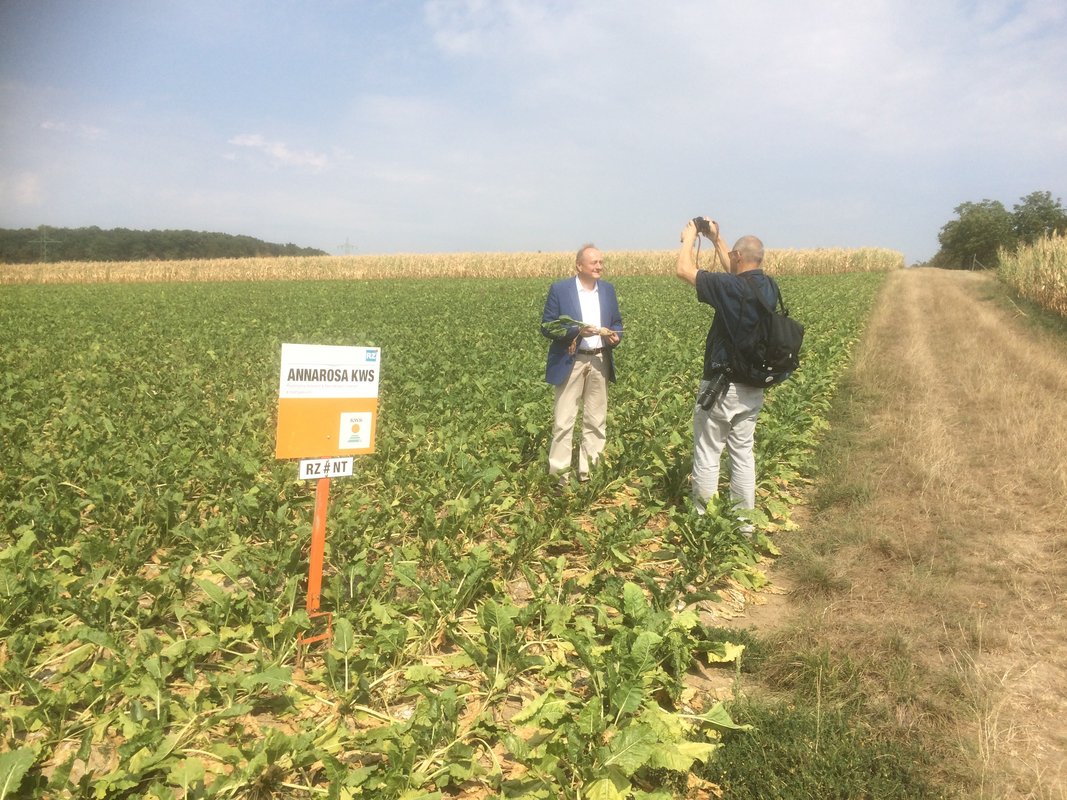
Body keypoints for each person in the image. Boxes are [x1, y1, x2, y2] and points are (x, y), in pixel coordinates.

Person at [674, 218, 779, 517]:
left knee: (708, 453)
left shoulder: (730, 286)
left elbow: (684, 269)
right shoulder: (767, 286)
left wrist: (690, 237)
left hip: (722, 386)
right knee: (743, 455)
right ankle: (743, 523)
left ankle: (705, 520)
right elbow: (736, 270)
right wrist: (717, 239)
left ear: (737, 258)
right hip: (753, 386)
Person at [541, 244, 623, 486]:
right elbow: (548, 326)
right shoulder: (560, 289)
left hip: (599, 359)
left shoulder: (607, 290)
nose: (600, 266)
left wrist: (615, 336)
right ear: (579, 266)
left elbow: (616, 322)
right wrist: (577, 331)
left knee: (596, 420)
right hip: (571, 360)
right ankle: (560, 478)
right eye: (594, 262)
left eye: (601, 262)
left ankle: (590, 475)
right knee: (564, 420)